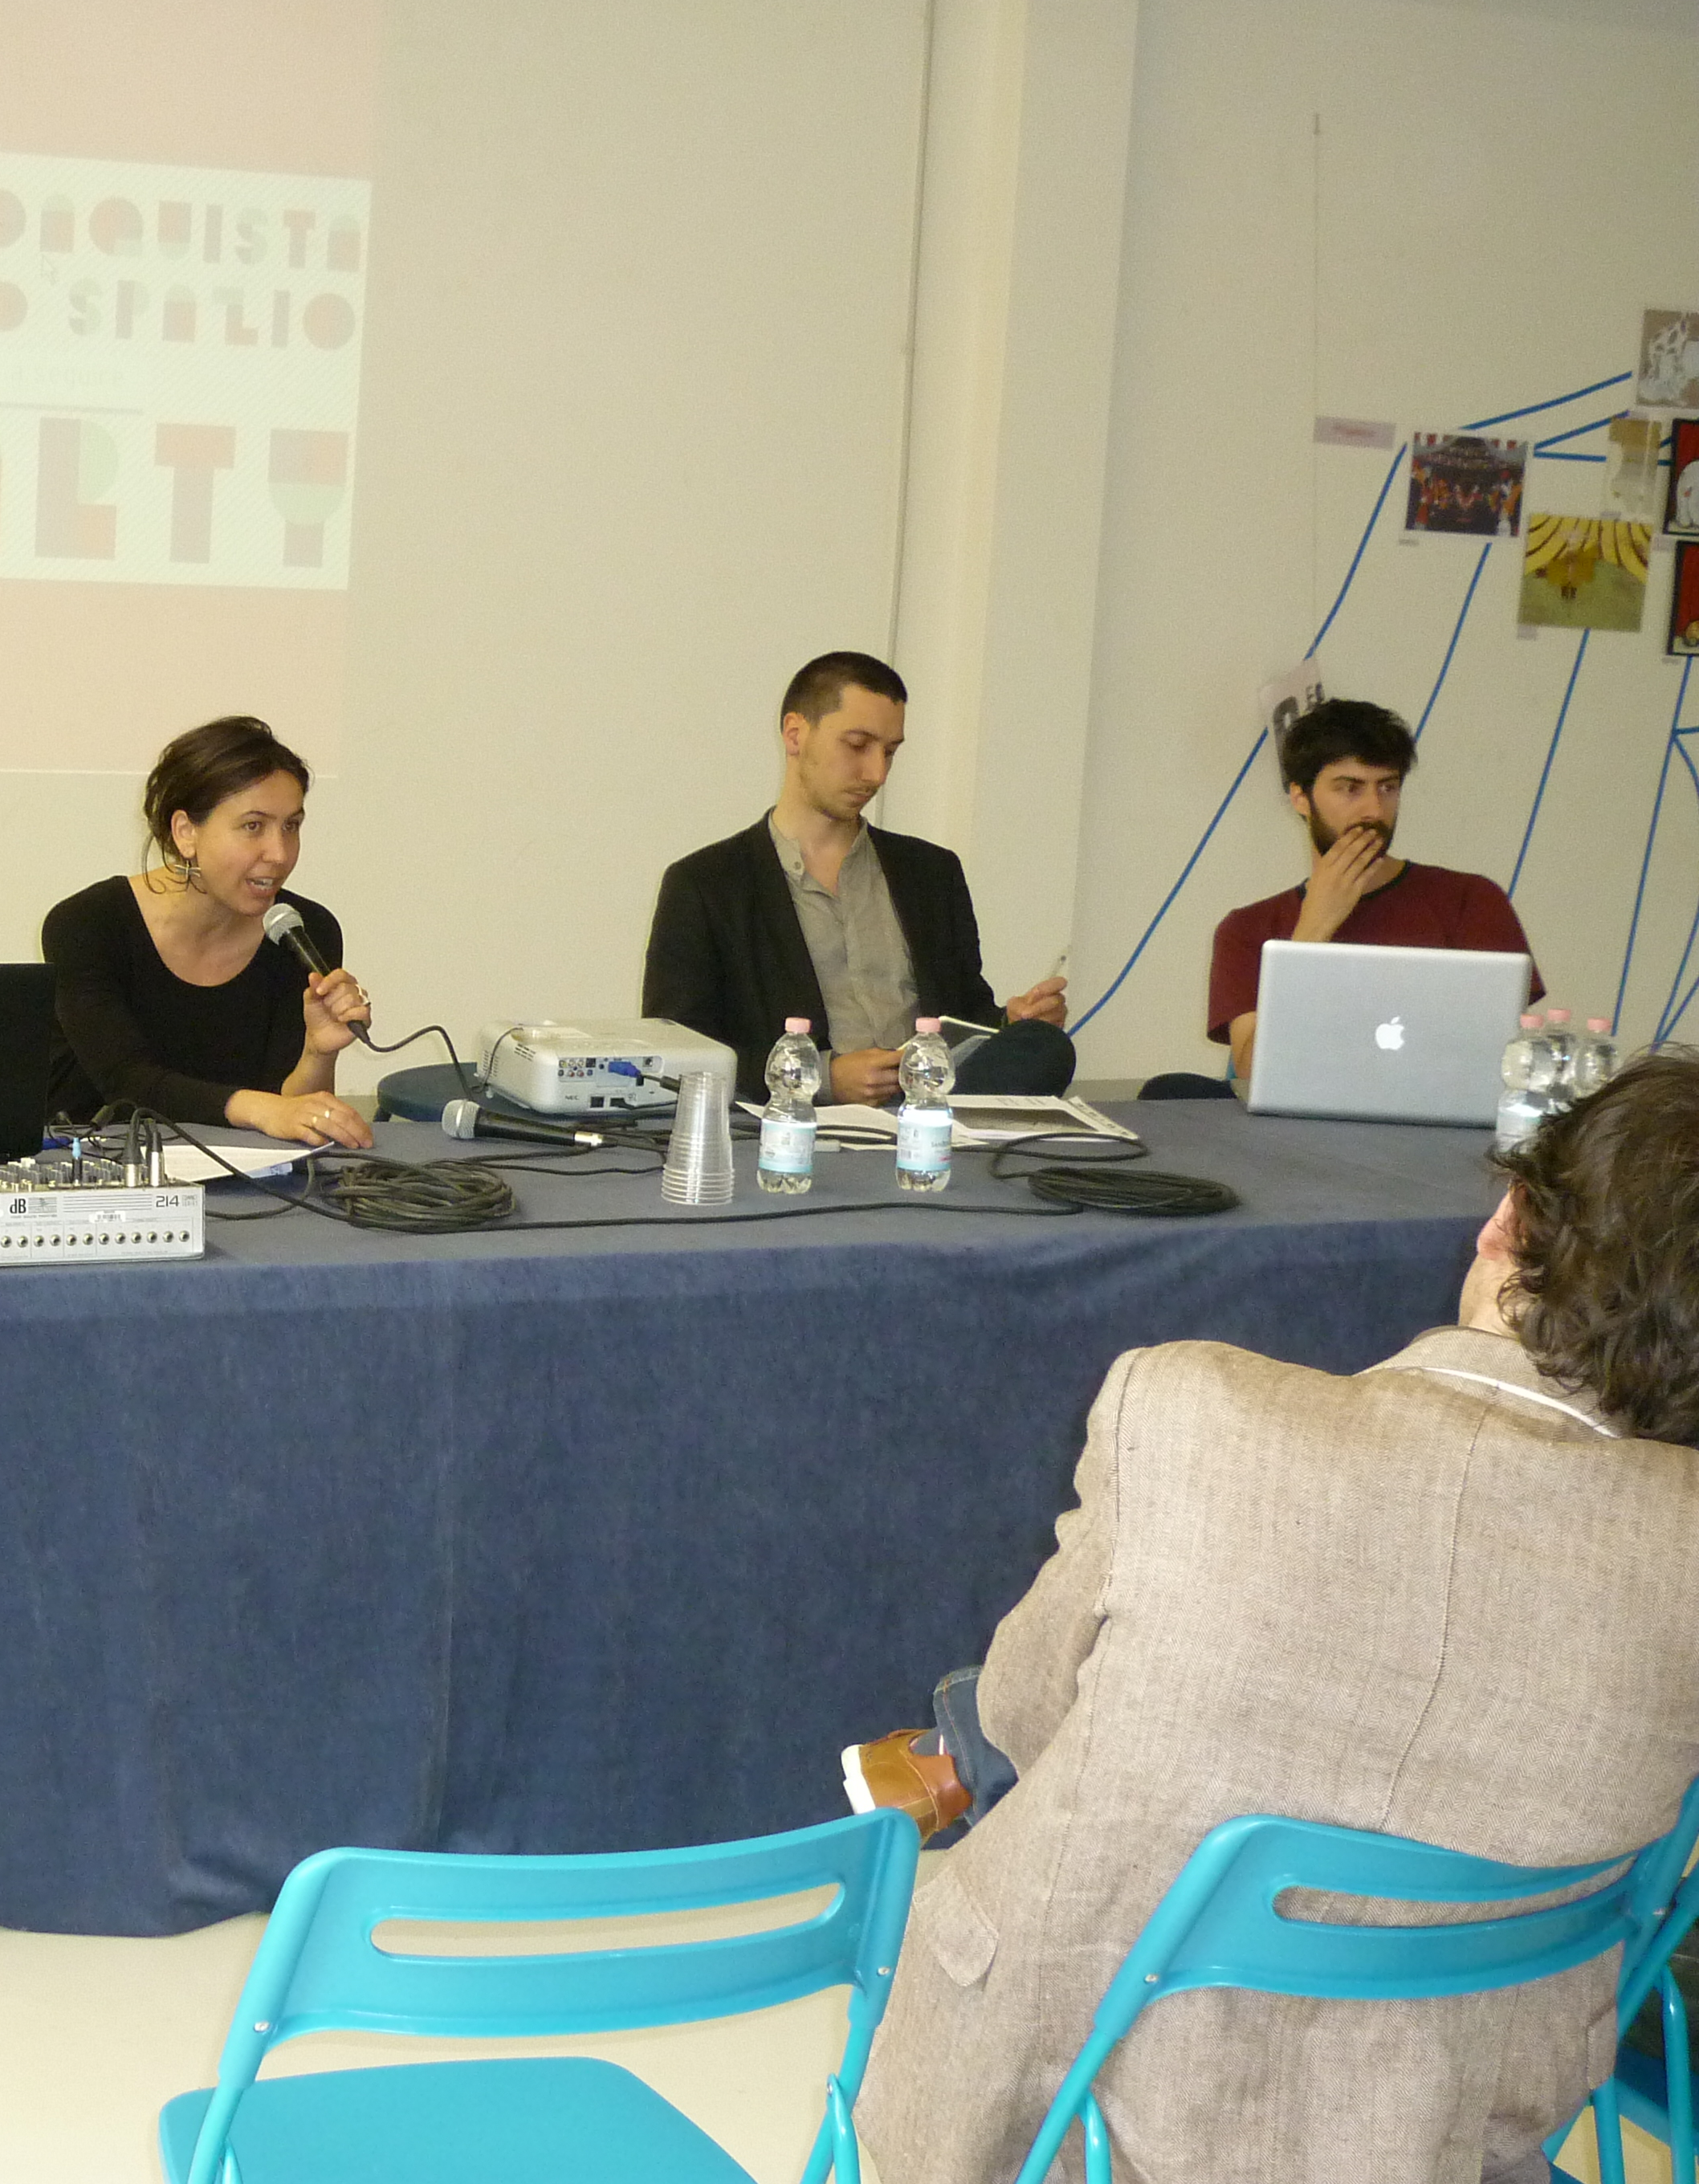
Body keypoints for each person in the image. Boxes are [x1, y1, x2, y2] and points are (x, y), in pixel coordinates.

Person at [850, 1048, 1699, 2183]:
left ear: (1511, 1220)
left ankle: (930, 1759)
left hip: (1080, 2106)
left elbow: (1027, 1720)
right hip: (1445, 2129)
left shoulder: (1187, 1410)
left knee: (998, 1713)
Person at [641, 651, 1073, 1104]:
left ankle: (924, 1116)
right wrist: (822, 1078)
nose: (876, 773)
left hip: (933, 1098)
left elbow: (965, 1015)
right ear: (795, 734)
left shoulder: (932, 872)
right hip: (799, 1118)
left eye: (890, 752)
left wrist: (1009, 1023)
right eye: (857, 744)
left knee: (1044, 1048)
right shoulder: (705, 885)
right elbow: (678, 1053)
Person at [43, 715, 376, 1151]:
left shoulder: (304, 929)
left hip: (248, 1173)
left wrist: (319, 1051)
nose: (279, 854)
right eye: (253, 826)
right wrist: (259, 1108)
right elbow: (128, 1085)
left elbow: (291, 1115)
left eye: (291, 826)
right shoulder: (88, 925)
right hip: (96, 1166)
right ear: (186, 833)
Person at [1208, 696, 1540, 1083]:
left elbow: (1502, 1061)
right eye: (1350, 789)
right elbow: (1253, 1074)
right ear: (1301, 798)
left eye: (1387, 788)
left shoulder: (1472, 900)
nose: (1374, 810)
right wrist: (1311, 933)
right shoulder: (1247, 929)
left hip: (1437, 1113)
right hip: (1301, 1120)